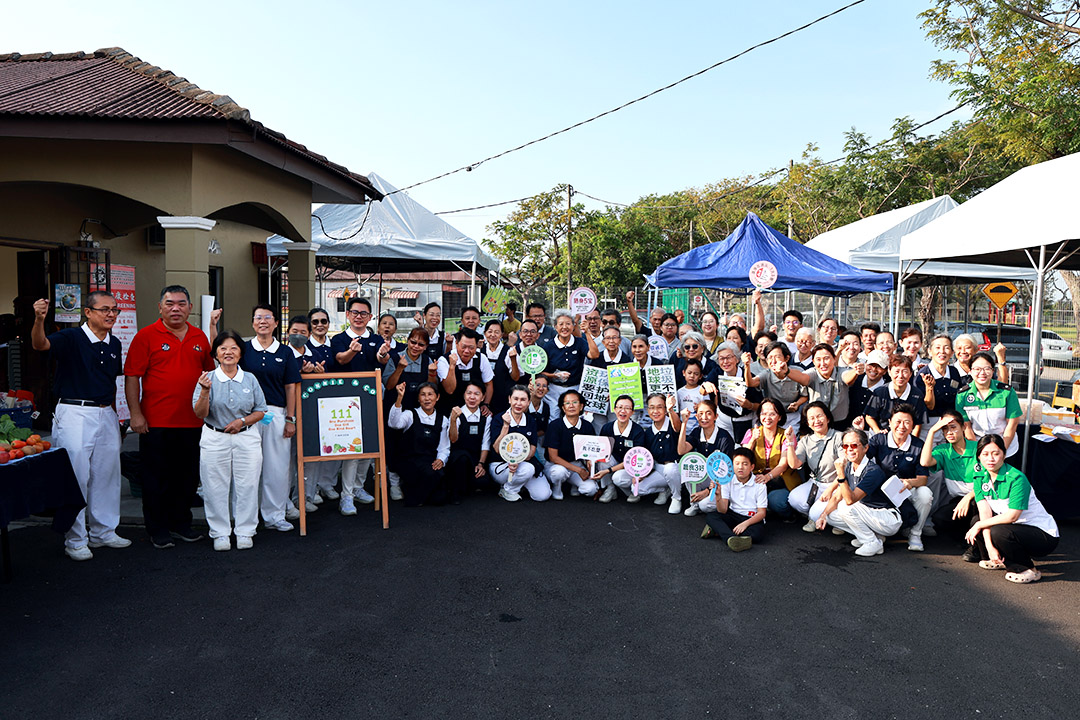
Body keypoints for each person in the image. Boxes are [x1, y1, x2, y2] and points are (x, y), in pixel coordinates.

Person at [32, 292, 129, 560]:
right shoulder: (71, 337)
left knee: (107, 474)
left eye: (114, 310)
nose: (111, 314)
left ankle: (103, 531)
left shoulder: (114, 343)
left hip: (105, 412)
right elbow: (40, 345)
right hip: (75, 411)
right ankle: (75, 538)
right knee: (77, 476)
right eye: (104, 310)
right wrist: (39, 319)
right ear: (88, 312)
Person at [125, 285, 216, 549]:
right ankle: (157, 529)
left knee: (186, 478)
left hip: (193, 422)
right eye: (170, 304)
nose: (175, 308)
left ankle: (181, 524)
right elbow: (132, 377)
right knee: (156, 479)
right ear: (160, 307)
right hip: (156, 422)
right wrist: (135, 414)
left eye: (181, 303)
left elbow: (210, 376)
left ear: (189, 307)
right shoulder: (146, 336)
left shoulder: (199, 337)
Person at [192, 331, 266, 552]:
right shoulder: (207, 378)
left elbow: (261, 410)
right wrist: (205, 391)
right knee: (214, 486)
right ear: (215, 353)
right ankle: (220, 532)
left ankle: (245, 531)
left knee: (248, 485)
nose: (228, 352)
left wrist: (242, 421)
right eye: (223, 348)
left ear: (241, 353)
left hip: (247, 437)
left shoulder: (250, 379)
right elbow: (199, 413)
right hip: (215, 438)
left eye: (233, 348)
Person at [965, 434, 1059, 583]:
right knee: (978, 520)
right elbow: (985, 513)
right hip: (1016, 528)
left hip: (1042, 534)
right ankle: (998, 559)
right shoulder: (979, 477)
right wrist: (989, 547)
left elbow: (1012, 516)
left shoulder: (1017, 478)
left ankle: (1028, 569)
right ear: (978, 457)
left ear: (1004, 455)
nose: (991, 459)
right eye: (985, 454)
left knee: (998, 531)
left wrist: (980, 525)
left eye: (996, 454)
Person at [241, 304, 302, 531]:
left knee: (277, 467)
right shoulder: (244, 350)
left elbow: (291, 387)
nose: (263, 321)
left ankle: (275, 515)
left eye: (268, 317)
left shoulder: (285, 352)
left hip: (276, 413)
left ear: (277, 323)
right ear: (253, 322)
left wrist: (290, 419)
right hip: (248, 415)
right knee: (248, 467)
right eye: (258, 317)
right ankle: (247, 518)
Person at [815, 428, 903, 557]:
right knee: (831, 516)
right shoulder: (850, 466)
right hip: (870, 514)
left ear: (866, 448)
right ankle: (874, 536)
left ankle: (871, 542)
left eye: (854, 445)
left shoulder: (873, 471)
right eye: (845, 445)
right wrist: (823, 515)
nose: (849, 449)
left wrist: (840, 473)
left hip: (887, 518)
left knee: (845, 506)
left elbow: (851, 500)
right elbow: (837, 496)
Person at [865, 404, 933, 552]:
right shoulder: (879, 440)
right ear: (889, 422)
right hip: (883, 491)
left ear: (912, 425)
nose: (902, 426)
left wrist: (909, 482)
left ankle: (915, 534)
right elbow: (861, 458)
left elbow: (923, 479)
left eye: (907, 422)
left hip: (906, 489)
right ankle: (877, 533)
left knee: (925, 494)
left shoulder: (918, 445)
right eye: (897, 421)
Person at [383, 327, 438, 501]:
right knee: (392, 445)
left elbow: (432, 387)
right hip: (395, 408)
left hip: (416, 413)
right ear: (407, 340)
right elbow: (389, 385)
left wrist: (431, 372)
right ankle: (393, 484)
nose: (415, 346)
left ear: (426, 346)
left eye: (421, 344)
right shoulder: (395, 357)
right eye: (413, 342)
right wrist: (399, 368)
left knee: (410, 446)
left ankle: (408, 481)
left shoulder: (428, 361)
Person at [921, 411, 980, 559]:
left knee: (976, 519)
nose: (949, 432)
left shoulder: (978, 448)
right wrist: (932, 431)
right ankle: (965, 540)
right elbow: (925, 462)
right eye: (945, 429)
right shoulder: (943, 451)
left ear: (963, 427)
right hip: (958, 501)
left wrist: (968, 498)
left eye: (953, 427)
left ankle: (975, 548)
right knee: (940, 518)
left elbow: (989, 481)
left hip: (981, 498)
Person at [389, 381, 451, 507]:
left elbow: (444, 446)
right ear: (418, 398)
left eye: (430, 394)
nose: (427, 398)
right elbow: (394, 424)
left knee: (440, 485)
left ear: (437, 397)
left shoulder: (442, 419)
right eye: (423, 395)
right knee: (427, 476)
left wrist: (441, 459)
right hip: (409, 460)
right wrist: (399, 398)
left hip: (429, 460)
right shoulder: (410, 414)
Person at [784, 402, 842, 532]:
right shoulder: (806, 440)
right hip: (815, 483)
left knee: (815, 514)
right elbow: (794, 464)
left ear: (827, 418)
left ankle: (832, 519)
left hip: (836, 484)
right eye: (811, 418)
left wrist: (830, 489)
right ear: (808, 423)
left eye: (819, 416)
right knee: (794, 498)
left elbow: (845, 469)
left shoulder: (839, 437)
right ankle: (819, 514)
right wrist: (789, 442)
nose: (816, 421)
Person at [741, 398, 802, 520]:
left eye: (772, 414)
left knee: (777, 502)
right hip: (755, 479)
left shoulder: (787, 435)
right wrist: (753, 440)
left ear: (779, 417)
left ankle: (788, 516)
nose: (767, 417)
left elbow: (783, 464)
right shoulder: (752, 432)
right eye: (763, 413)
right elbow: (743, 458)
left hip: (780, 480)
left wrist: (767, 477)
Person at [956, 351, 1022, 461]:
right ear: (970, 371)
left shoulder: (1006, 392)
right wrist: (979, 452)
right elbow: (966, 427)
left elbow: (1012, 423)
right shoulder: (962, 395)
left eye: (987, 369)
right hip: (978, 448)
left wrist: (1001, 451)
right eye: (977, 369)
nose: (982, 373)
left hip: (1006, 448)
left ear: (993, 371)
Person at [700, 447, 768, 551]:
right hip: (733, 515)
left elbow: (762, 513)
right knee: (711, 516)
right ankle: (731, 538)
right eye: (737, 463)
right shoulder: (728, 480)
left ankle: (721, 532)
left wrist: (745, 524)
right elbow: (723, 510)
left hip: (750, 518)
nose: (740, 467)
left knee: (758, 534)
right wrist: (718, 495)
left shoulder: (759, 484)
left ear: (752, 467)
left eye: (745, 464)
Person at [489, 385, 549, 502]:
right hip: (501, 464)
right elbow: (496, 449)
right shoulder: (498, 418)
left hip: (523, 463)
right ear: (509, 399)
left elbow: (532, 449)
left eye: (523, 400)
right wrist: (505, 426)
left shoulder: (530, 420)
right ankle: (508, 489)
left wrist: (518, 460)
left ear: (528, 402)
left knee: (543, 495)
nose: (518, 403)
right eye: (515, 399)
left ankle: (516, 485)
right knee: (527, 470)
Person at [678, 399, 734, 516]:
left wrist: (707, 492)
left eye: (708, 413)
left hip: (720, 481)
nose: (704, 417)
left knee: (705, 506)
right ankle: (694, 502)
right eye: (700, 413)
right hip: (704, 477)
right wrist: (684, 423)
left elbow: (726, 473)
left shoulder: (724, 438)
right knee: (687, 466)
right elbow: (681, 450)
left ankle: (700, 503)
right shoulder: (696, 432)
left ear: (716, 416)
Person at [543, 390, 599, 499]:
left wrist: (589, 464)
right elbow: (553, 457)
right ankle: (557, 488)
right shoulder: (555, 426)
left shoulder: (587, 426)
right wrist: (579, 470)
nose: (571, 406)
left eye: (575, 402)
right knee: (559, 472)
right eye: (567, 403)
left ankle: (574, 484)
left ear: (581, 406)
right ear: (563, 408)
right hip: (556, 465)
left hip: (576, 463)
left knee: (591, 490)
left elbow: (590, 452)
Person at [595, 395, 649, 504]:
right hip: (615, 460)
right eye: (619, 407)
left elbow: (635, 460)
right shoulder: (607, 428)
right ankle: (610, 489)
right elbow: (602, 451)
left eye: (627, 408)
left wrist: (608, 471)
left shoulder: (638, 431)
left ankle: (631, 492)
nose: (623, 411)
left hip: (632, 466)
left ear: (632, 412)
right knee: (603, 459)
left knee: (618, 478)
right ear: (614, 410)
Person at [742, 342, 808, 430]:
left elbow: (805, 395)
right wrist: (747, 366)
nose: (773, 362)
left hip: (791, 416)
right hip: (771, 417)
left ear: (787, 358)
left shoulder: (797, 372)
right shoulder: (766, 374)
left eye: (777, 357)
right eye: (769, 358)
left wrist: (797, 404)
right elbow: (750, 383)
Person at [445, 381, 494, 502]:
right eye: (469, 393)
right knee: (462, 458)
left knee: (483, 481)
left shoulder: (486, 416)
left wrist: (481, 464)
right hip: (457, 458)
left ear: (483, 397)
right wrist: (452, 420)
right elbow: (453, 439)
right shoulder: (457, 414)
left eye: (477, 394)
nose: (472, 397)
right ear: (464, 395)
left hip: (475, 459)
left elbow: (485, 442)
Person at [636, 393, 683, 513]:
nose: (655, 411)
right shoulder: (648, 433)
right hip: (659, 468)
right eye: (652, 407)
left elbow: (677, 427)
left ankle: (676, 497)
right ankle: (665, 489)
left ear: (665, 409)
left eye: (659, 407)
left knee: (670, 469)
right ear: (647, 410)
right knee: (637, 489)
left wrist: (671, 409)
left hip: (676, 467)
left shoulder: (672, 423)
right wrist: (641, 474)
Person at [791, 343, 858, 427]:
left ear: (834, 359)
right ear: (813, 362)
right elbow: (803, 378)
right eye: (818, 359)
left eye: (826, 358)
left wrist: (856, 371)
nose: (823, 363)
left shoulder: (840, 371)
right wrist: (786, 371)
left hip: (840, 423)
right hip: (816, 424)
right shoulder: (813, 372)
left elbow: (847, 378)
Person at [863, 354, 929, 437]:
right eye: (897, 371)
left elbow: (918, 424)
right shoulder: (880, 392)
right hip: (882, 435)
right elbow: (869, 417)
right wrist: (878, 432)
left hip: (906, 437)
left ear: (910, 374)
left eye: (905, 371)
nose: (900, 376)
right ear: (889, 372)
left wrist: (912, 442)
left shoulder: (917, 394)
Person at [540, 311, 588, 416]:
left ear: (573, 325)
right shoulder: (548, 346)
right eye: (561, 324)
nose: (564, 327)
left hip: (575, 387)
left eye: (568, 324)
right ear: (555, 327)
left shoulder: (580, 342)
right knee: (554, 417)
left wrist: (587, 332)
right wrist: (555, 376)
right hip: (554, 389)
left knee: (576, 417)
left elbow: (593, 355)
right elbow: (541, 372)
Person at [917, 333, 963, 443]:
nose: (942, 351)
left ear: (952, 353)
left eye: (946, 348)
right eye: (937, 348)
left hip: (951, 424)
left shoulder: (954, 372)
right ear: (929, 351)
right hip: (928, 425)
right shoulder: (922, 375)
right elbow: (928, 406)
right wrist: (929, 388)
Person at [712, 341, 760, 442]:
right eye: (722, 358)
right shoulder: (717, 372)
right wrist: (706, 385)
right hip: (724, 419)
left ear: (737, 359)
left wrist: (749, 405)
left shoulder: (748, 376)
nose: (725, 362)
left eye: (729, 357)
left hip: (745, 419)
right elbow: (703, 388)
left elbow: (760, 405)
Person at [438, 327, 494, 412]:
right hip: (450, 409)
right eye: (463, 347)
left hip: (475, 409)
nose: (467, 351)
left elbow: (488, 384)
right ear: (456, 343)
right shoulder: (444, 360)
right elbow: (449, 389)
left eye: (471, 347)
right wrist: (452, 366)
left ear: (477, 346)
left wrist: (486, 404)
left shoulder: (482, 358)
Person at [481, 318, 520, 416]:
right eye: (490, 332)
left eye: (497, 332)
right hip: (482, 400)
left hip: (503, 400)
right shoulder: (479, 351)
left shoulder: (508, 351)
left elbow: (516, 377)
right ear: (485, 333)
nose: (493, 335)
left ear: (502, 334)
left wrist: (513, 359)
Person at [848, 349, 888, 424]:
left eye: (879, 366)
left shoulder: (887, 390)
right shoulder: (855, 380)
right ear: (865, 364)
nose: (873, 369)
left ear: (885, 371)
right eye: (871, 364)